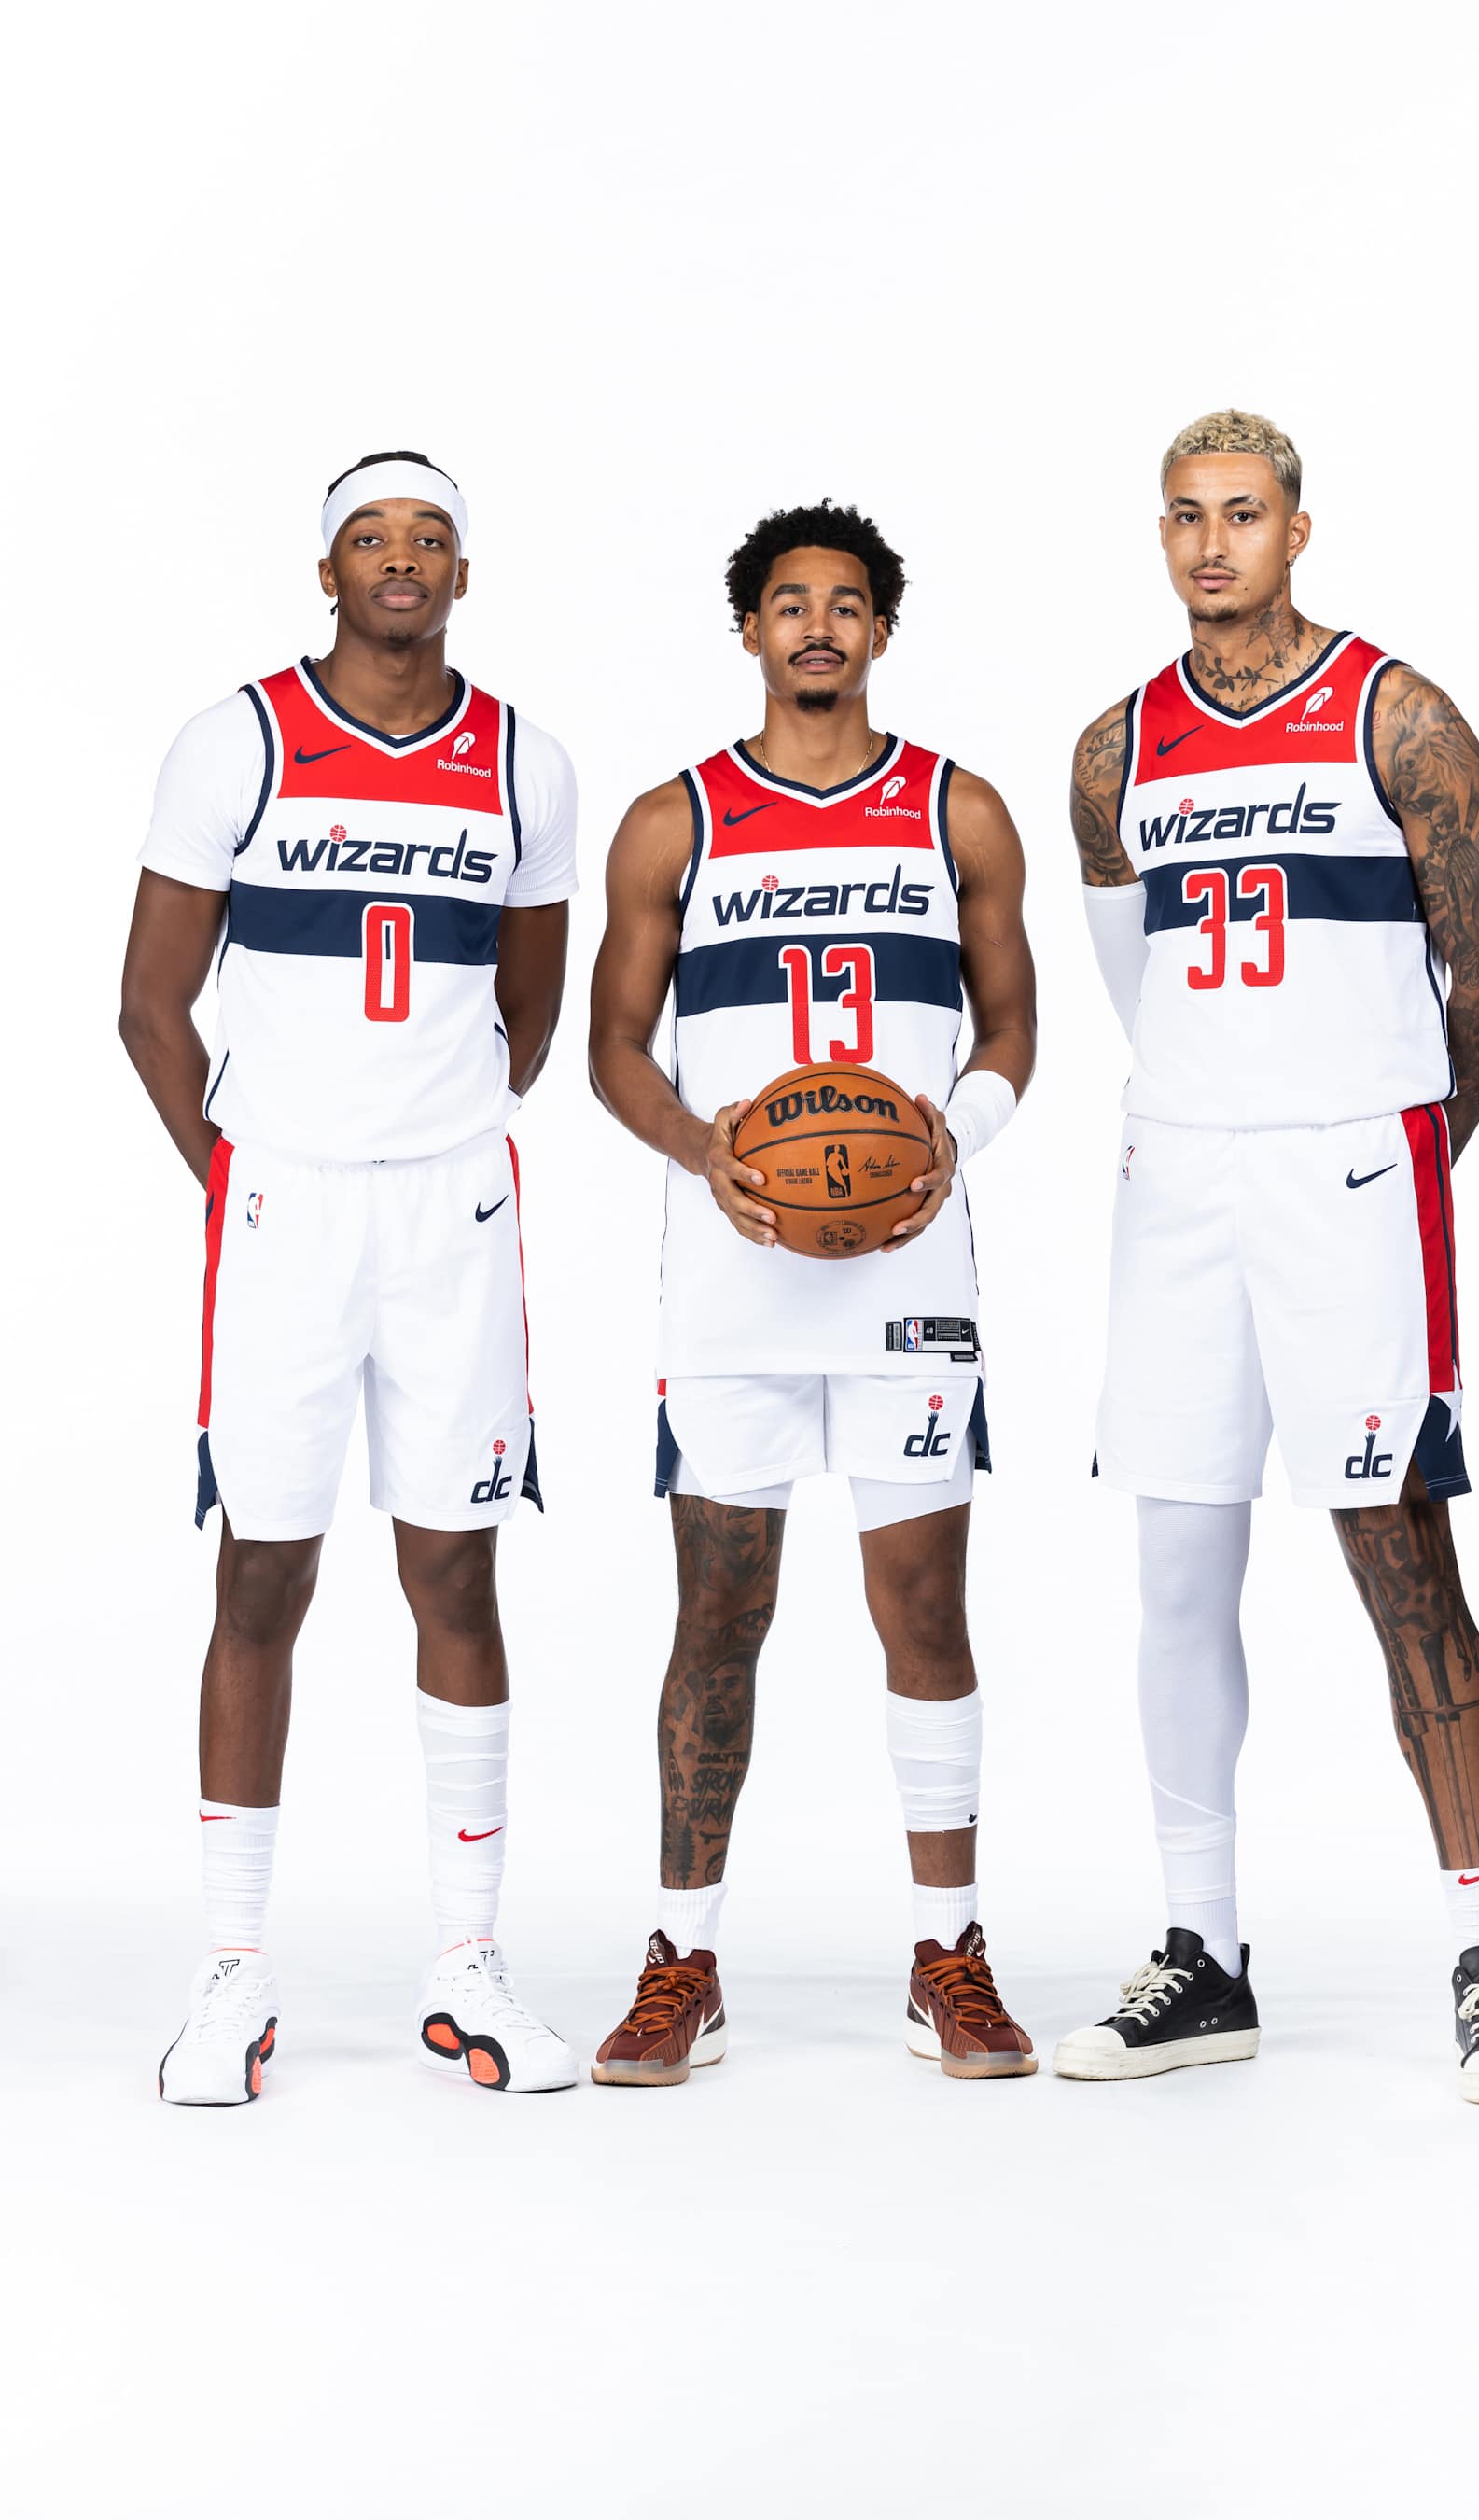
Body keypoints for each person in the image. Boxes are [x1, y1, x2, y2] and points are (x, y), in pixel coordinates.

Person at [1057, 410, 1479, 2104]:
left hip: (1355, 1178)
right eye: (1187, 517)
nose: (1214, 545)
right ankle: (1205, 1958)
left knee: (1401, 1560)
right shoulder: (1114, 752)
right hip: (1181, 1183)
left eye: (1245, 515)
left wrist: (1389, 1144)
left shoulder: (1399, 718)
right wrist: (1232, 1110)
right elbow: (1151, 999)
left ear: (1300, 528)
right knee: (1179, 1569)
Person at [120, 453, 580, 2103]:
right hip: (285, 1210)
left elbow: (529, 1015)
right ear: (326, 571)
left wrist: (423, 1126)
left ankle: (468, 1963)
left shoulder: (523, 756)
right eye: (372, 540)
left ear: (465, 572)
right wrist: (245, 1177)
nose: (403, 561)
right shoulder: (235, 739)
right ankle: (233, 1976)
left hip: (449, 1207)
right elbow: (150, 1006)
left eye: (431, 539)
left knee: (457, 1575)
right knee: (264, 1576)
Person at [587, 499, 1038, 2083]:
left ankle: (952, 1950)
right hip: (732, 1282)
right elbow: (612, 1051)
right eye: (792, 605)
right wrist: (706, 1152)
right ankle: (682, 1954)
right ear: (754, 631)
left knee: (925, 1609)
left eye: (848, 604)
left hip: (912, 1278)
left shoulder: (956, 810)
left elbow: (1011, 1031)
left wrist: (947, 1143)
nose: (820, 628)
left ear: (882, 632)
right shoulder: (675, 821)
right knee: (721, 1609)